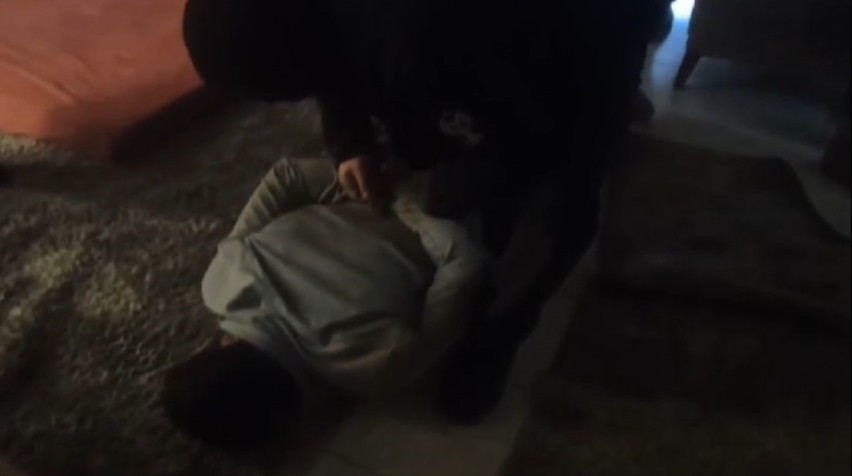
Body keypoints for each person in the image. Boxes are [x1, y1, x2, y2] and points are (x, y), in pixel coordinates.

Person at [182, 0, 658, 423]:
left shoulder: (420, 42)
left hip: (589, 41)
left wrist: (419, 194)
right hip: (461, 60)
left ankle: (493, 344)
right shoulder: (335, 32)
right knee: (452, 194)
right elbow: (335, 75)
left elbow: (497, 147)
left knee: (551, 215)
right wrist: (352, 146)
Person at [161, 158, 488, 456]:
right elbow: (288, 174)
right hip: (434, 186)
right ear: (221, 344)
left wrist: (382, 191)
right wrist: (394, 198)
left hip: (423, 198)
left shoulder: (379, 367)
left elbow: (465, 260)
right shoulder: (222, 276)